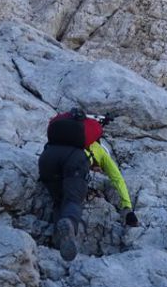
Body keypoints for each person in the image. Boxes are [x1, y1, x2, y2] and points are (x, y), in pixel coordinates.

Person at [38, 109, 138, 261]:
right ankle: (70, 225)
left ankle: (59, 241)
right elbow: (117, 179)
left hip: (47, 158)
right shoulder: (100, 151)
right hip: (73, 161)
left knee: (60, 201)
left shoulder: (62, 138)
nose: (97, 170)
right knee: (73, 200)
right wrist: (128, 208)